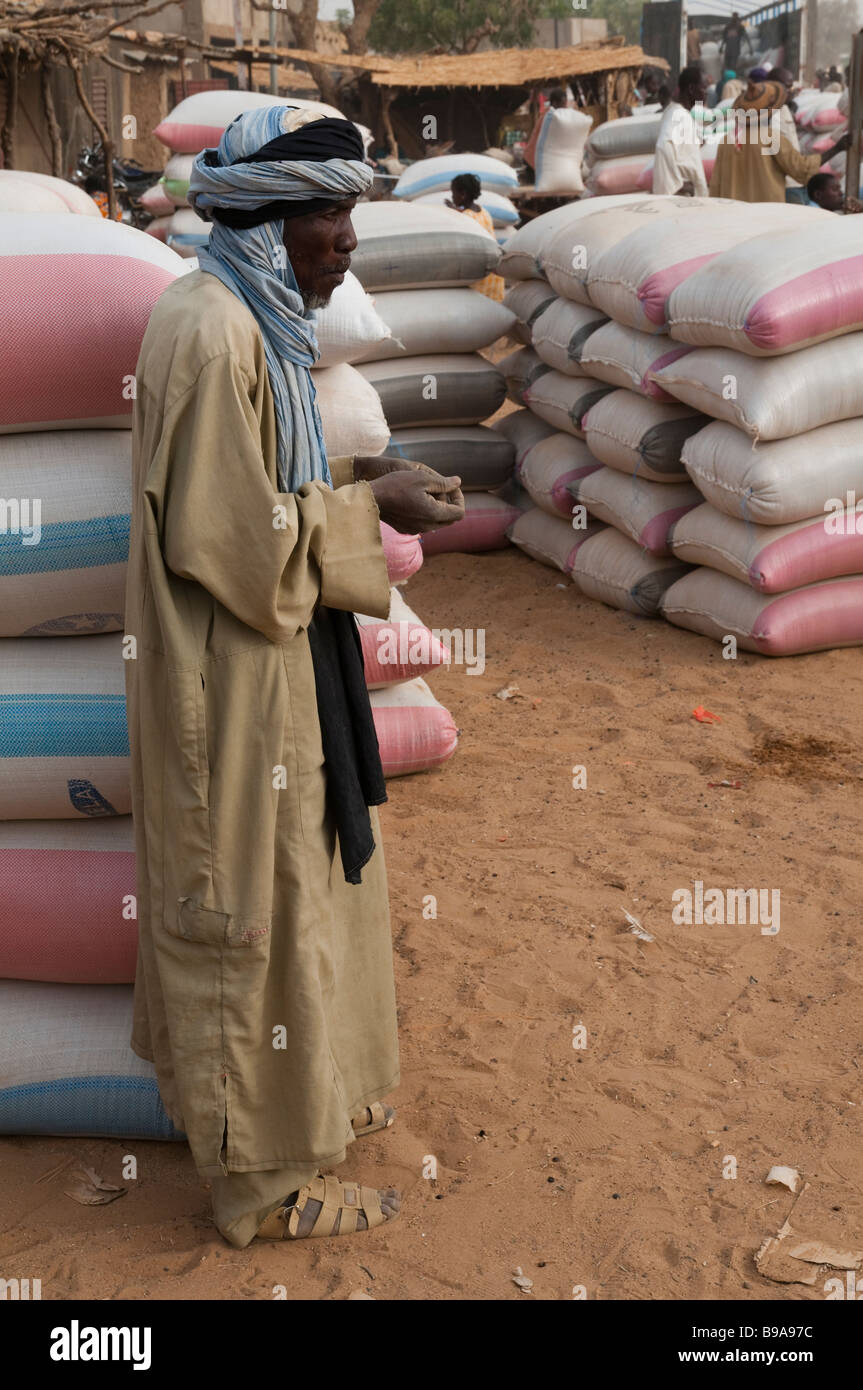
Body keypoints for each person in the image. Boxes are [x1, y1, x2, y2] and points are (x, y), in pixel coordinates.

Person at [125, 105, 465, 1250]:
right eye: (328, 211)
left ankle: (309, 1111)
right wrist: (369, 508)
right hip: (229, 681)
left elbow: (265, 476)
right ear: (265, 218)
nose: (349, 239)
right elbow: (230, 539)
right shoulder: (210, 329)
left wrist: (363, 469)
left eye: (352, 210)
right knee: (248, 913)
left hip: (279, 665)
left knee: (305, 889)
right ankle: (256, 1191)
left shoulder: (249, 318)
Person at [709, 78, 850, 202]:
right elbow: (801, 169)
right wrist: (837, 148)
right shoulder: (772, 138)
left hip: (733, 217)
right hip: (766, 215)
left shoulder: (728, 140)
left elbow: (716, 184)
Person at [447, 173, 506, 301]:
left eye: (453, 193)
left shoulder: (464, 218)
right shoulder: (483, 212)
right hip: (494, 277)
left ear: (462, 194)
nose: (452, 197)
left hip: (478, 279)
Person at [652, 65, 709, 196]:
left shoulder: (680, 114)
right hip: (681, 196)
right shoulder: (679, 116)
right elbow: (663, 147)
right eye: (704, 88)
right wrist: (676, 185)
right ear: (691, 89)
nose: (706, 93)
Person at [523, 86, 567, 171]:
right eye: (562, 104)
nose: (564, 107)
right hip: (533, 162)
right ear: (554, 103)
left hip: (537, 161)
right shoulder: (549, 117)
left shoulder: (551, 114)